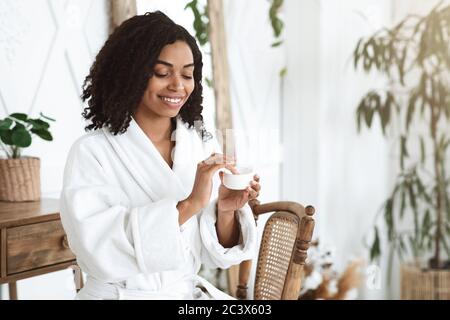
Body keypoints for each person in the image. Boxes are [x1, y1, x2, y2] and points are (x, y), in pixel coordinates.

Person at [59, 11, 260, 300]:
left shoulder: (197, 145)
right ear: (131, 73)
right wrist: (190, 204)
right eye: (163, 73)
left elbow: (215, 254)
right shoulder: (92, 152)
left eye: (188, 74)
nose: (178, 85)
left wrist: (225, 210)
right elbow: (99, 249)